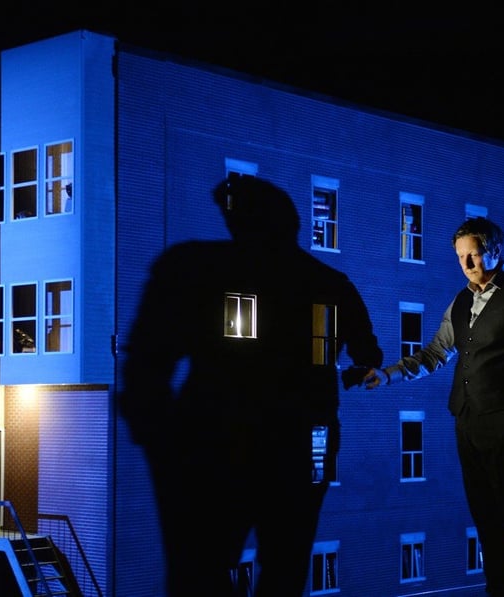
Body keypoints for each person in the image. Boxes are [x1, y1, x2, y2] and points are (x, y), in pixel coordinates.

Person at [119, 174, 383, 597]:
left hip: (219, 436)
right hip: (306, 440)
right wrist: (350, 370)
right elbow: (367, 354)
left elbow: (148, 363)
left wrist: (160, 438)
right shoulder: (329, 284)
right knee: (286, 564)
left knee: (199, 565)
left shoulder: (195, 267)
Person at [363, 216, 504, 597]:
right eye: (461, 256)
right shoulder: (461, 300)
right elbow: (436, 352)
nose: (467, 264)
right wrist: (388, 375)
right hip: (467, 421)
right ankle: (501, 591)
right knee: (485, 519)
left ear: (496, 251)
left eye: (475, 254)